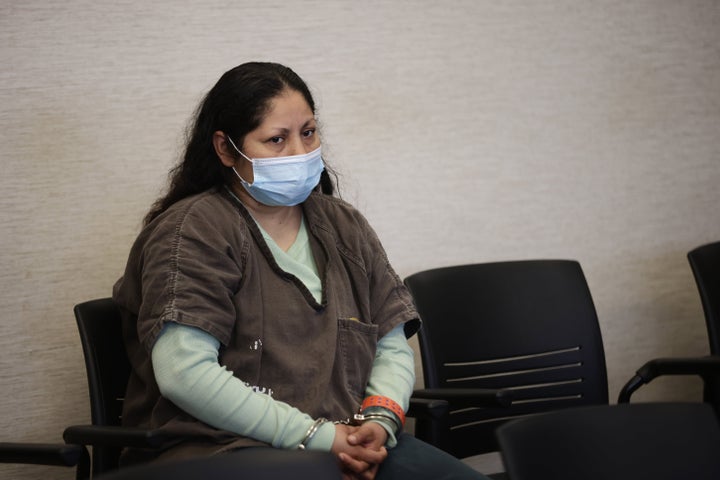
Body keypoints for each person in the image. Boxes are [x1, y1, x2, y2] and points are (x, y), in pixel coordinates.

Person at [113, 62, 490, 480]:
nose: (300, 152)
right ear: (225, 149)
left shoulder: (344, 225)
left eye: (308, 133)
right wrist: (319, 438)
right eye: (277, 139)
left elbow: (390, 341)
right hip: (220, 449)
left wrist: (378, 424)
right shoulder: (195, 231)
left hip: (347, 438)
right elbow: (184, 374)